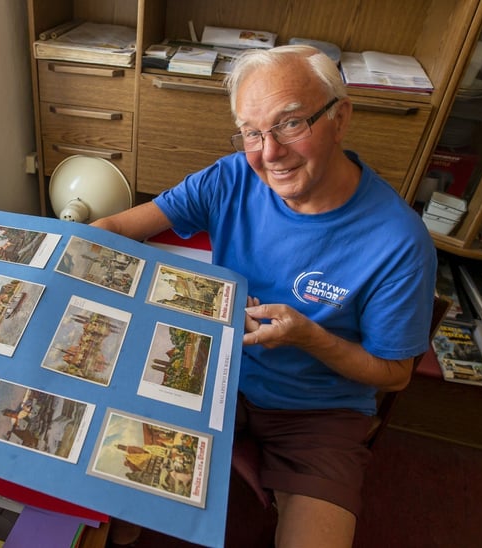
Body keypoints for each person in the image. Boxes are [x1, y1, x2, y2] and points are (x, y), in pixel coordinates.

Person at [92, 45, 437, 547]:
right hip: (212, 369)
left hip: (317, 411)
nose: (269, 153)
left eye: (290, 124)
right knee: (116, 514)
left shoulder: (400, 242)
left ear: (340, 118)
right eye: (251, 132)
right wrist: (62, 256)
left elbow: (396, 374)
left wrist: (310, 338)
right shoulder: (230, 176)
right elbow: (117, 228)